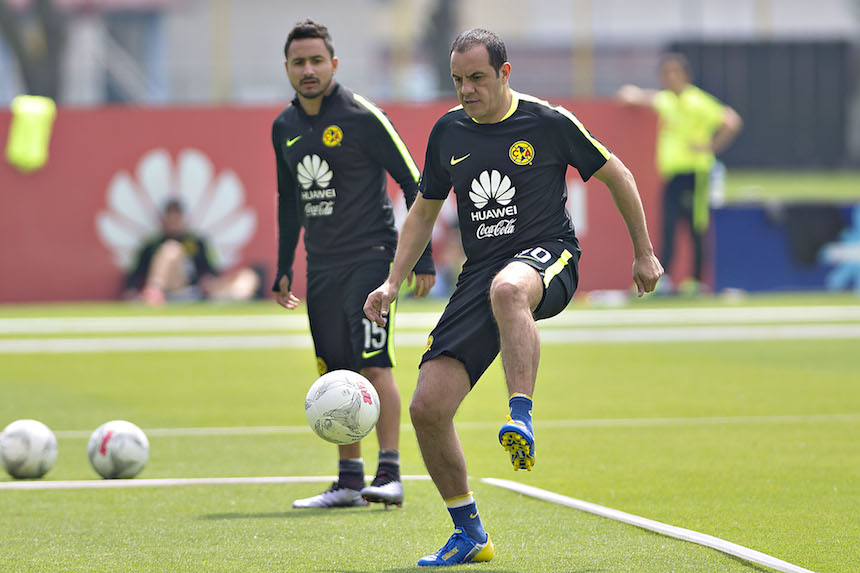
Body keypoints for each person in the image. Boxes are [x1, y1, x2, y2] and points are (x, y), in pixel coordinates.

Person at [364, 28, 663, 566]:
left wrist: (643, 253)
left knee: (508, 290)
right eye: (458, 80)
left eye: (477, 77)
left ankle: (520, 414)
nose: (466, 90)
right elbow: (424, 211)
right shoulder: (448, 131)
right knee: (427, 408)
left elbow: (618, 175)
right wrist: (391, 281)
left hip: (549, 256)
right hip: (479, 271)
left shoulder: (547, 121)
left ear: (504, 73)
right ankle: (470, 534)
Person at [272, 20, 435, 509]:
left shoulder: (363, 116)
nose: (308, 69)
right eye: (299, 62)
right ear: (287, 68)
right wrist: (284, 265)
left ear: (334, 64)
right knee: (334, 371)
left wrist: (421, 257)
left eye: (316, 60)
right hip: (321, 267)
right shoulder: (284, 127)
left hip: (372, 258)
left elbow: (415, 182)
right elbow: (288, 201)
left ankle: (390, 474)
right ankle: (348, 482)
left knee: (372, 364)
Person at [618, 52, 742, 294]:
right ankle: (665, 279)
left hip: (695, 174)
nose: (669, 77)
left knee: (695, 228)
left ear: (686, 75)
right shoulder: (668, 100)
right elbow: (646, 98)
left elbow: (731, 121)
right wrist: (631, 94)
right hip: (673, 175)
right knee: (668, 226)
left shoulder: (697, 101)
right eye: (665, 73)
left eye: (674, 72)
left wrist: (711, 147)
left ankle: (696, 280)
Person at [124, 198, 261, 306]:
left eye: (176, 217)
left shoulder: (197, 242)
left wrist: (209, 281)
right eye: (170, 217)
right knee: (171, 249)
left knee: (247, 277)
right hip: (172, 290)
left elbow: (212, 269)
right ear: (163, 219)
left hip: (197, 291)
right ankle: (154, 294)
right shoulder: (152, 244)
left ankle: (228, 301)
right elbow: (134, 273)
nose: (173, 221)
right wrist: (132, 291)